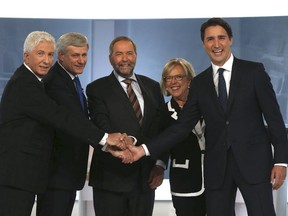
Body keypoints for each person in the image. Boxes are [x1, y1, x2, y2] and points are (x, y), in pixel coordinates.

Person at [117, 18, 288, 216]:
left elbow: (274, 118)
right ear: (204, 44)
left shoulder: (254, 72)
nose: (216, 44)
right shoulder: (199, 83)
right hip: (217, 169)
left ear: (230, 40)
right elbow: (181, 127)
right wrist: (143, 150)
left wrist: (281, 161)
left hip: (255, 164)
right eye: (210, 39)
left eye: (221, 38)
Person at [0, 31, 128, 216]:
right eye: (40, 54)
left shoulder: (34, 81)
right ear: (26, 56)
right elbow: (62, 117)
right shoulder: (26, 84)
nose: (46, 60)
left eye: (49, 54)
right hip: (17, 174)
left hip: (25, 175)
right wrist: (106, 139)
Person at [86, 36, 168, 216]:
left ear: (136, 56)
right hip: (110, 180)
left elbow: (162, 129)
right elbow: (101, 125)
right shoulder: (96, 88)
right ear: (110, 58)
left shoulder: (153, 86)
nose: (125, 59)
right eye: (119, 54)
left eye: (129, 53)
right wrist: (128, 141)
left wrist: (160, 165)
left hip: (146, 179)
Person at [36, 32, 90, 216]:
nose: (81, 60)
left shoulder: (71, 79)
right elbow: (75, 121)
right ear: (61, 56)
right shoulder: (55, 81)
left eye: (84, 55)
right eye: (76, 55)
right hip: (56, 175)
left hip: (67, 174)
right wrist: (107, 140)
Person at [160, 58, 206, 216]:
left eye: (178, 77)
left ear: (189, 80)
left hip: (216, 178)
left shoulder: (207, 106)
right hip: (184, 180)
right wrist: (159, 166)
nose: (173, 82)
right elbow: (161, 145)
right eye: (168, 78)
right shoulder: (162, 113)